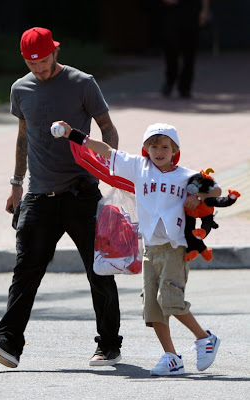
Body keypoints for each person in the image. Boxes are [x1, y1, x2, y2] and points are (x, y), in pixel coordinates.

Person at [0, 27, 122, 368]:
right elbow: (23, 135)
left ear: (55, 52)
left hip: (81, 192)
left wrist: (109, 165)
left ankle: (109, 344)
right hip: (39, 194)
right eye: (31, 62)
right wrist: (15, 183)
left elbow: (107, 127)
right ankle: (8, 344)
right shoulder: (20, 88)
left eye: (43, 62)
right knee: (26, 270)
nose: (38, 69)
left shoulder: (82, 82)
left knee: (98, 270)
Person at [54, 120, 221, 375]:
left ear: (175, 150)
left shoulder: (186, 176)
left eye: (165, 146)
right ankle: (171, 357)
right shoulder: (138, 167)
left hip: (174, 249)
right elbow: (106, 151)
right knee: (152, 309)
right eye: (153, 147)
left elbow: (217, 189)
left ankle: (204, 338)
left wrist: (196, 196)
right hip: (150, 250)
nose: (159, 152)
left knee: (170, 301)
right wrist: (73, 135)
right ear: (146, 149)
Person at [160, 0, 210, 98]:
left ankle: (185, 87)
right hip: (173, 10)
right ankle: (170, 79)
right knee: (170, 45)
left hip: (191, 10)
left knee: (190, 50)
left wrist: (204, 10)